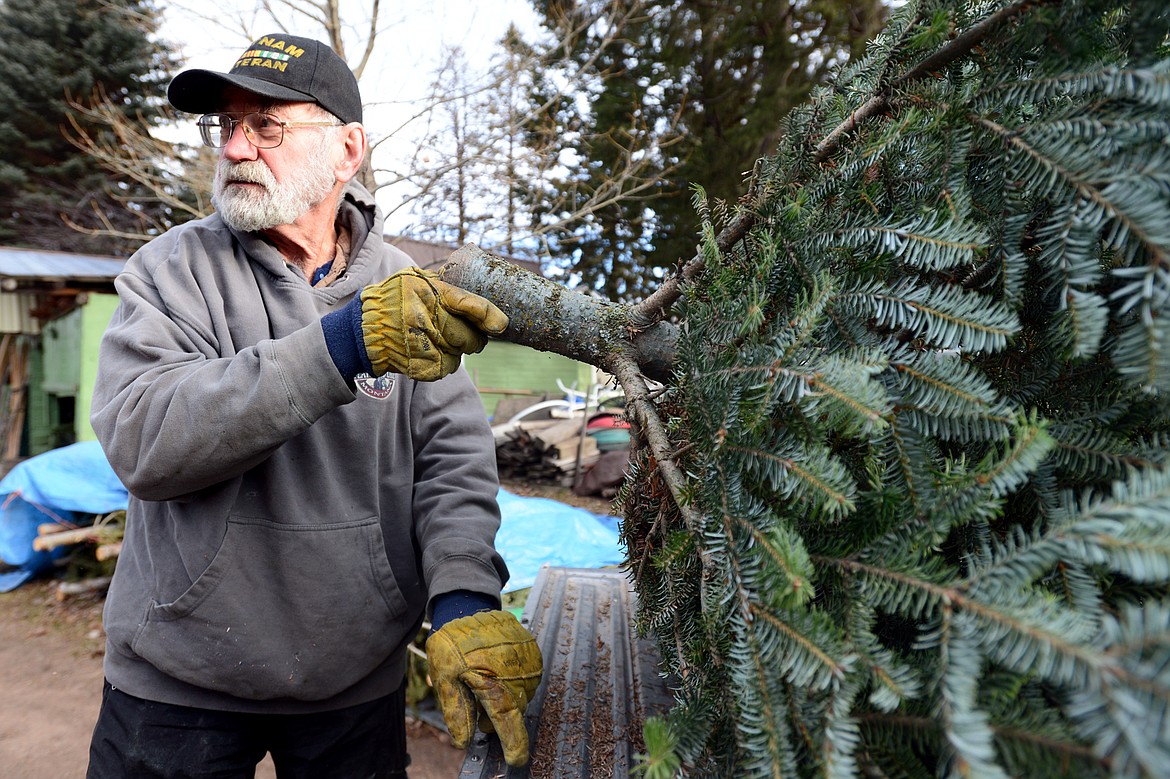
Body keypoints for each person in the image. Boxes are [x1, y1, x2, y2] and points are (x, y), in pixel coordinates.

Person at [86, 33, 543, 779]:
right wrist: (340, 348)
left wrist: (463, 593)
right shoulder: (170, 272)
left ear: (347, 150)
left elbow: (453, 464)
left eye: (266, 125)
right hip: (176, 684)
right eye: (225, 126)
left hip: (352, 685)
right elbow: (146, 441)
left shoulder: (409, 292)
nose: (235, 147)